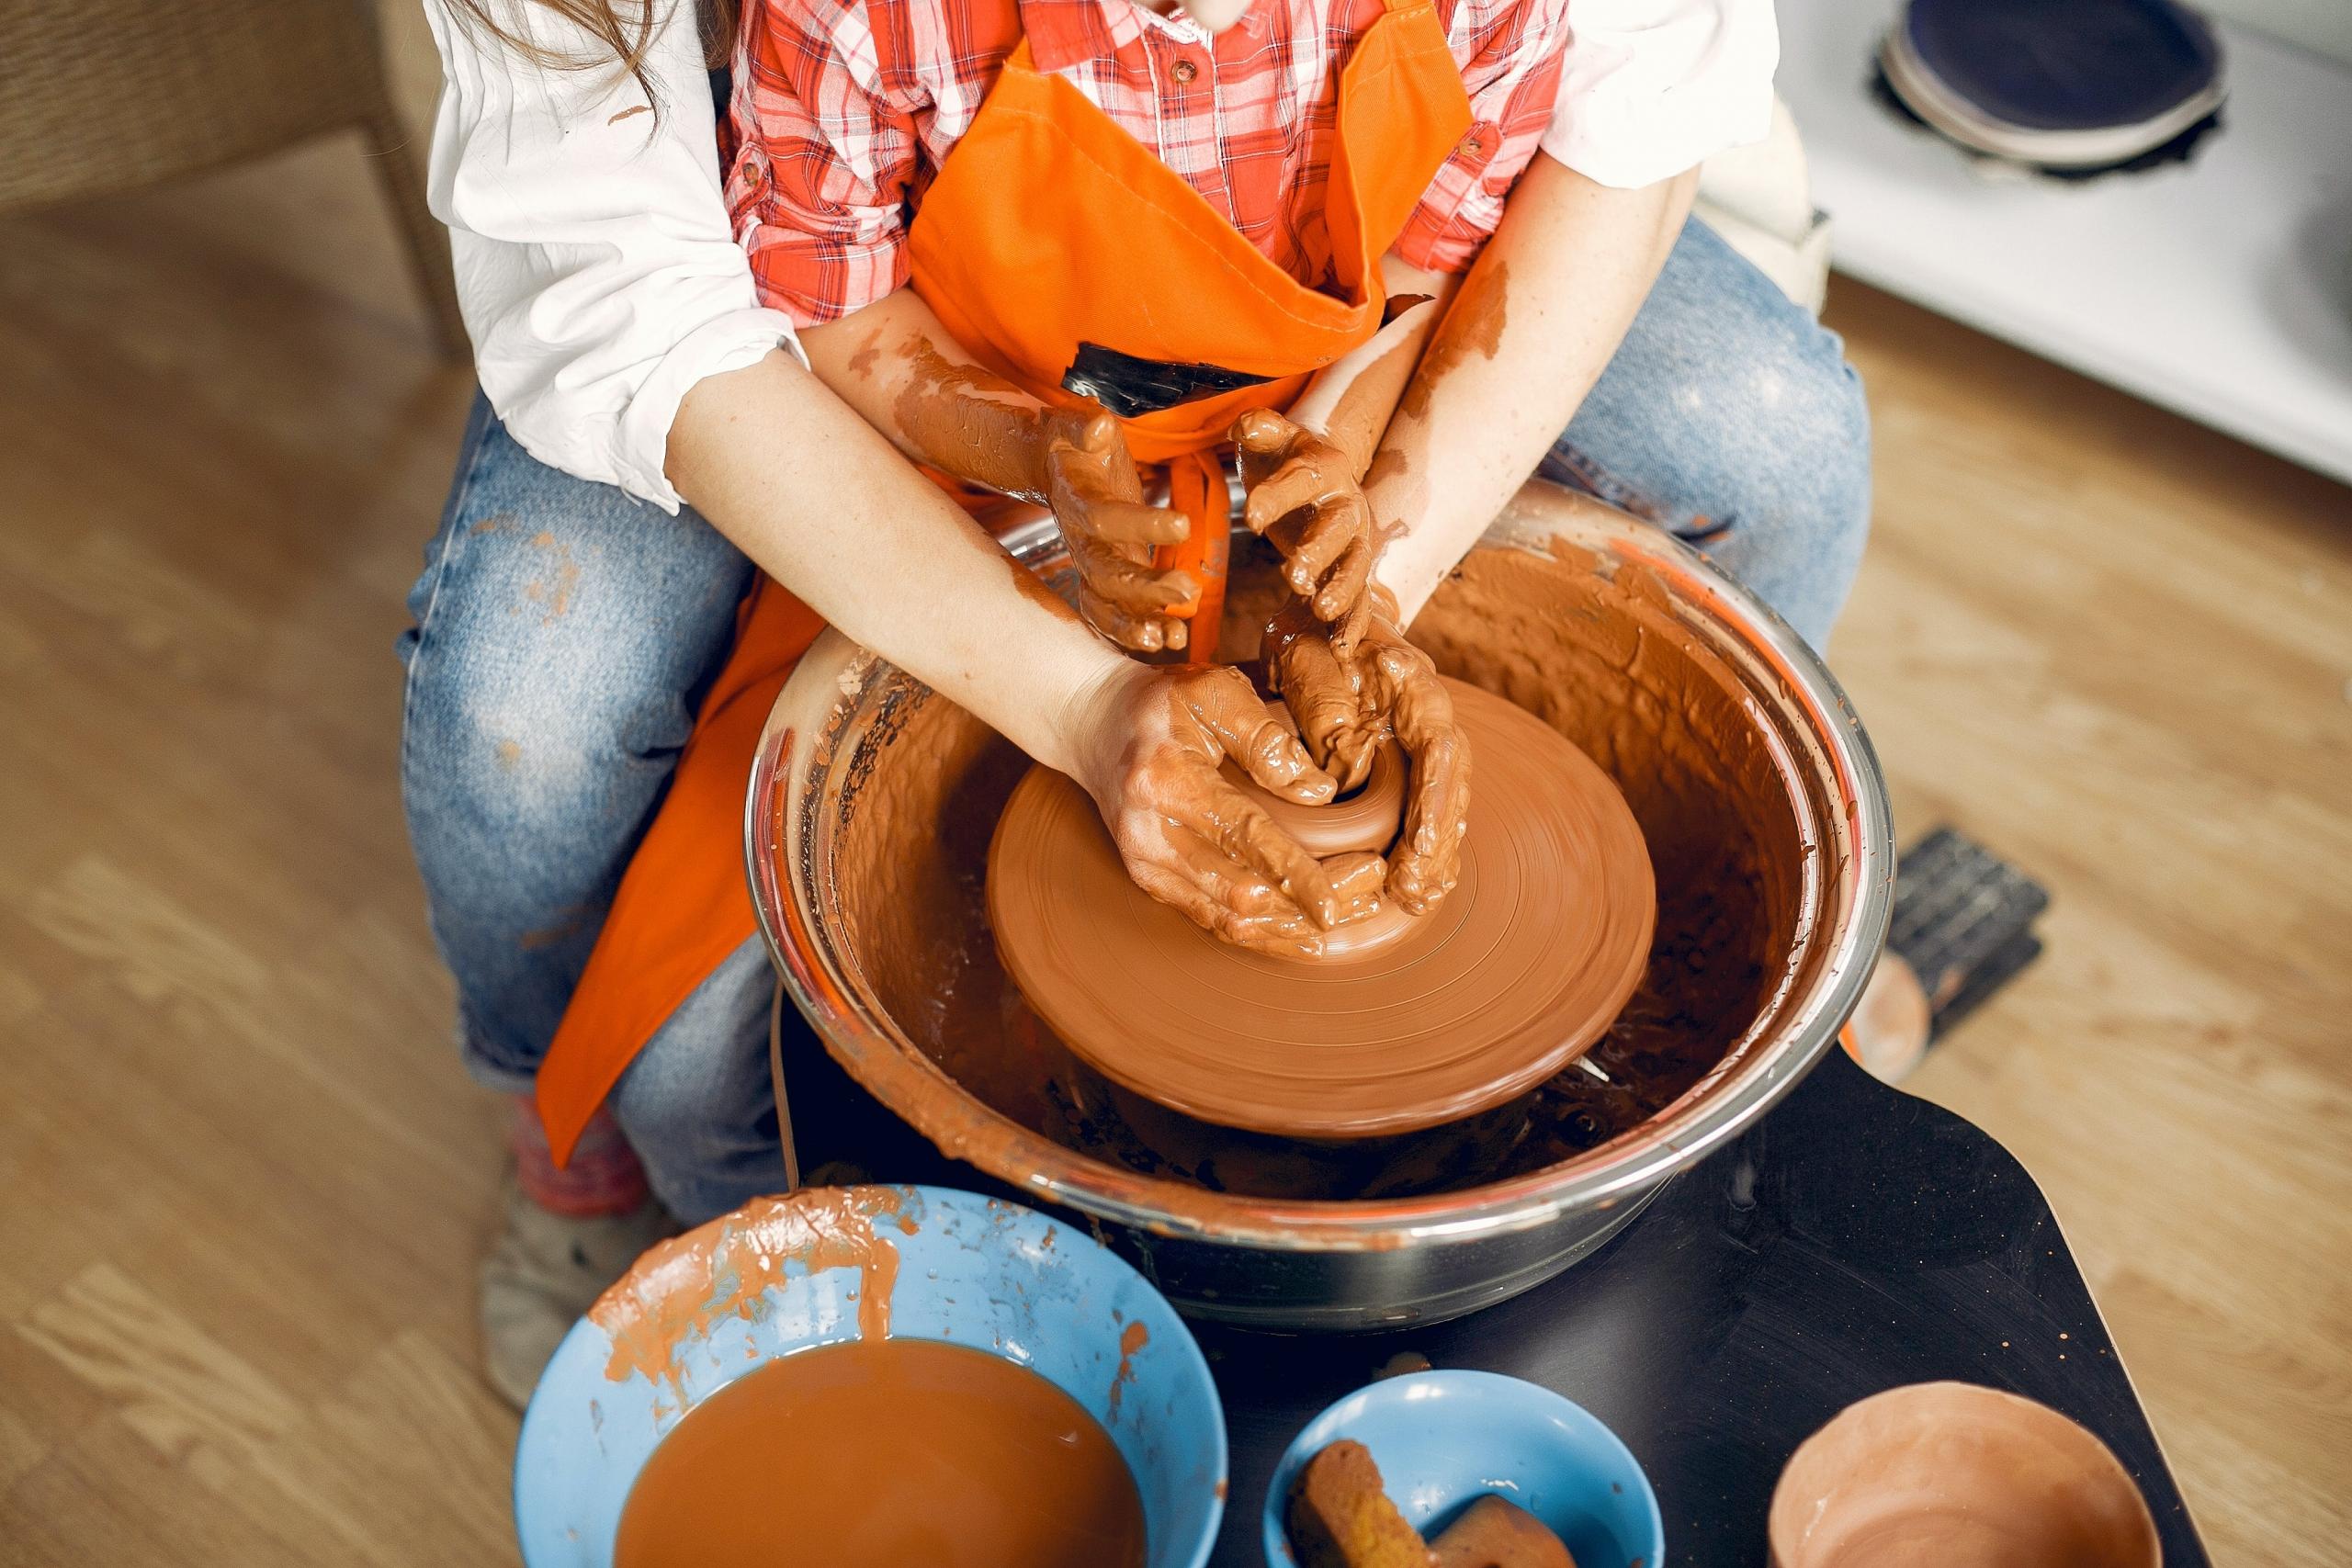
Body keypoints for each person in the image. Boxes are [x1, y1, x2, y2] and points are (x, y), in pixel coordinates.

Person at [411, 0, 1867, 1406]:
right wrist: (1077, 685)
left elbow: (1496, 195)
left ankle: (1758, 1041)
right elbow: (714, 305)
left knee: (1782, 440)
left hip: (1308, 287)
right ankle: (583, 1137)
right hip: (870, 301)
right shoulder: (863, 30)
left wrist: (1382, 539)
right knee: (532, 725)